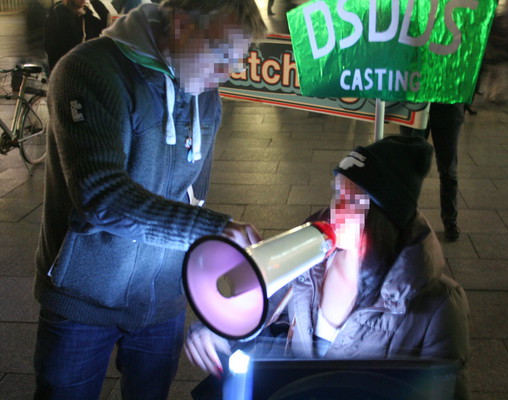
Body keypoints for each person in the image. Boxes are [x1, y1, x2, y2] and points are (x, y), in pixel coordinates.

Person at [33, 1, 267, 399]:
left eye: (238, 59)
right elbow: (100, 194)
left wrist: (214, 293)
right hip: (83, 297)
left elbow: (194, 197)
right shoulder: (89, 70)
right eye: (221, 53)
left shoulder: (205, 93)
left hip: (162, 303)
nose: (228, 72)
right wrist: (212, 229)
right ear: (180, 25)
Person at [185, 136, 471, 400]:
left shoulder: (439, 305)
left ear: (382, 218)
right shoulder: (310, 256)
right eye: (336, 194)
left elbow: (445, 390)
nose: (336, 210)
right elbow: (260, 301)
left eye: (352, 201)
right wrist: (218, 330)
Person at [400, 103, 465, 242]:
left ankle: (450, 221)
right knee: (409, 168)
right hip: (414, 106)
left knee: (448, 169)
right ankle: (406, 220)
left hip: (448, 107)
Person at [43, 0, 116, 73]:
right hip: (67, 71)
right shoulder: (57, 17)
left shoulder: (86, 17)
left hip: (87, 69)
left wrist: (95, 1)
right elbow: (51, 51)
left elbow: (107, 25)